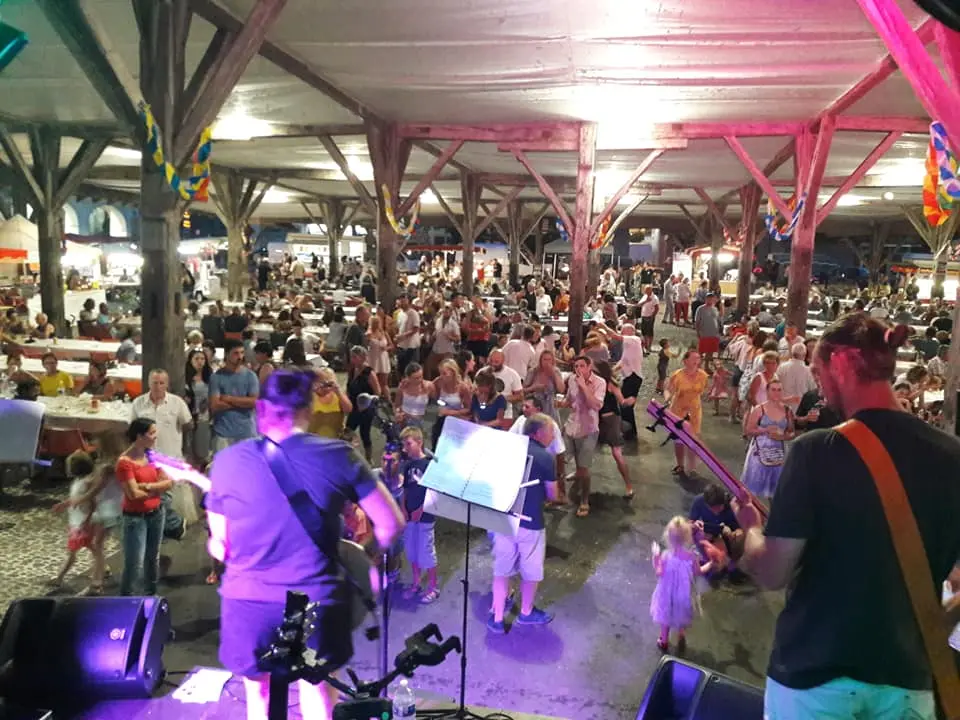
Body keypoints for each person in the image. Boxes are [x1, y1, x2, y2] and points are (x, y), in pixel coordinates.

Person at [735, 315, 960, 719]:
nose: (818, 384)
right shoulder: (953, 458)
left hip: (815, 676)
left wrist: (751, 531)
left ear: (840, 362)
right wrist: (930, 629)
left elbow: (772, 571)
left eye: (819, 371)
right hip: (906, 681)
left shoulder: (817, 451)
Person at [205, 370, 404, 720]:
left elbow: (221, 546)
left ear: (261, 409)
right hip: (314, 599)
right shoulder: (339, 454)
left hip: (249, 602)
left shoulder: (227, 460)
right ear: (308, 409)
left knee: (259, 694)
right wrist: (361, 556)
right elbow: (391, 524)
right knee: (318, 689)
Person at [488, 413, 559, 633]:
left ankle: (497, 617)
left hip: (503, 519)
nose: (553, 436)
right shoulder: (546, 458)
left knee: (502, 570)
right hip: (530, 522)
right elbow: (553, 494)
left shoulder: (507, 449)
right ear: (537, 433)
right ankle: (526, 612)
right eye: (550, 432)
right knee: (531, 570)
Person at [117, 419, 173, 596]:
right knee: (134, 564)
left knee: (152, 559)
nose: (155, 436)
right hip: (135, 518)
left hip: (156, 513)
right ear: (139, 436)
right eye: (151, 433)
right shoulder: (125, 462)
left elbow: (169, 482)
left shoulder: (152, 456)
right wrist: (158, 488)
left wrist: (146, 486)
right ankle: (126, 600)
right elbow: (134, 495)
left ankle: (150, 596)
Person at [650, 516, 716, 652]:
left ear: (668, 536)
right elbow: (698, 571)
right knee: (681, 614)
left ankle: (663, 640)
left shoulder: (665, 556)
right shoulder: (692, 556)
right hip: (683, 595)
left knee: (665, 617)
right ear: (687, 537)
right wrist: (710, 564)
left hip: (667, 595)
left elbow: (659, 572)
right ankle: (681, 634)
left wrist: (655, 557)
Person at [49, 451, 102, 591]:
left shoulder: (87, 483)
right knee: (91, 547)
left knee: (72, 551)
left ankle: (59, 578)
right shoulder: (78, 482)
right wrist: (64, 504)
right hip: (77, 521)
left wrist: (87, 520)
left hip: (82, 523)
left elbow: (93, 503)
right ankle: (103, 567)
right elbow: (76, 498)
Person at [562, 355, 606, 518]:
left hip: (588, 429)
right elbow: (569, 400)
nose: (578, 369)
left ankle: (584, 500)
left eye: (581, 366)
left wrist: (583, 386)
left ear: (589, 367)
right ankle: (560, 495)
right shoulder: (572, 380)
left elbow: (596, 405)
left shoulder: (599, 383)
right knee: (561, 459)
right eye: (576, 366)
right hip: (571, 426)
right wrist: (560, 403)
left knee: (584, 467)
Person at [399, 426, 439, 604]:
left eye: (408, 444)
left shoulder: (429, 465)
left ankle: (433, 587)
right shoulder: (407, 466)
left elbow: (433, 493)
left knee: (426, 552)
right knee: (412, 551)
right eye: (404, 445)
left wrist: (421, 509)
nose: (405, 448)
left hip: (425, 517)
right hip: (409, 516)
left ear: (419, 442)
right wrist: (403, 508)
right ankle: (415, 582)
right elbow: (405, 489)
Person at [741, 379, 794, 501]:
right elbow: (748, 430)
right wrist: (765, 430)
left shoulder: (787, 410)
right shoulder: (759, 409)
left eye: (779, 390)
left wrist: (783, 437)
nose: (776, 393)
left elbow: (792, 432)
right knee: (753, 489)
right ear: (767, 391)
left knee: (776, 491)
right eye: (773, 390)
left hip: (779, 453)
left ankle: (774, 512)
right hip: (759, 452)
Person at [210, 339, 260, 453]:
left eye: (242, 353)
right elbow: (215, 405)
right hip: (223, 433)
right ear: (227, 354)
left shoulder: (250, 376)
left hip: (246, 432)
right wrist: (243, 402)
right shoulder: (216, 377)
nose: (240, 357)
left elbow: (253, 402)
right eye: (236, 353)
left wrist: (228, 399)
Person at [664, 350, 709, 476]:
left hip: (694, 410)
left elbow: (705, 390)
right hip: (678, 410)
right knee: (678, 438)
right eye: (693, 358)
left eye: (698, 358)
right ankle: (680, 465)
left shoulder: (703, 375)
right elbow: (668, 390)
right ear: (685, 361)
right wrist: (667, 398)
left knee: (693, 438)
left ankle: (692, 466)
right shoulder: (677, 375)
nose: (696, 361)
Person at [694, 292, 722, 369]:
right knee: (701, 351)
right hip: (704, 333)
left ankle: (706, 367)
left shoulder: (715, 309)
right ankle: (697, 367)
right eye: (708, 298)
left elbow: (717, 320)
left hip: (714, 334)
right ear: (706, 299)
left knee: (710, 351)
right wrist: (698, 332)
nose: (710, 300)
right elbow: (697, 322)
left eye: (712, 299)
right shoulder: (700, 309)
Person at [637, 284, 659, 350]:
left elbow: (657, 308)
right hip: (644, 315)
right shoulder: (645, 296)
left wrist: (652, 316)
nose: (645, 291)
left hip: (649, 316)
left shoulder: (655, 298)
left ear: (650, 290)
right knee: (644, 331)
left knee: (649, 332)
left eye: (646, 290)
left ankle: (649, 346)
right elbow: (639, 304)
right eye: (645, 290)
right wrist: (645, 301)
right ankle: (646, 345)